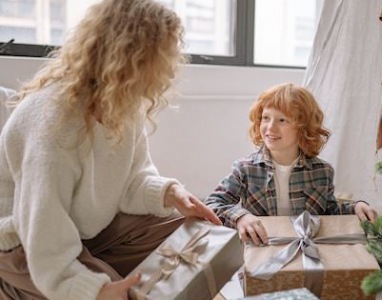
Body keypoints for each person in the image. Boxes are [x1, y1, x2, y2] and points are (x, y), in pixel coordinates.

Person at [0, 1, 222, 299]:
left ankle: (90, 264)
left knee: (190, 235)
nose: (171, 71)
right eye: (166, 58)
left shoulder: (123, 105)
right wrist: (94, 289)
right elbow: (43, 228)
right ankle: (14, 285)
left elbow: (132, 179)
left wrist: (168, 193)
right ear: (133, 56)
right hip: (24, 238)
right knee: (117, 291)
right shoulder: (53, 124)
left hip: (82, 227)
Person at [205, 83, 377, 246]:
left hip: (308, 253)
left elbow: (328, 210)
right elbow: (213, 204)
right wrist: (240, 217)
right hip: (262, 252)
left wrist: (356, 207)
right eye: (265, 118)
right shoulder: (245, 169)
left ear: (303, 127)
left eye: (282, 120)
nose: (270, 127)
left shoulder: (322, 172)